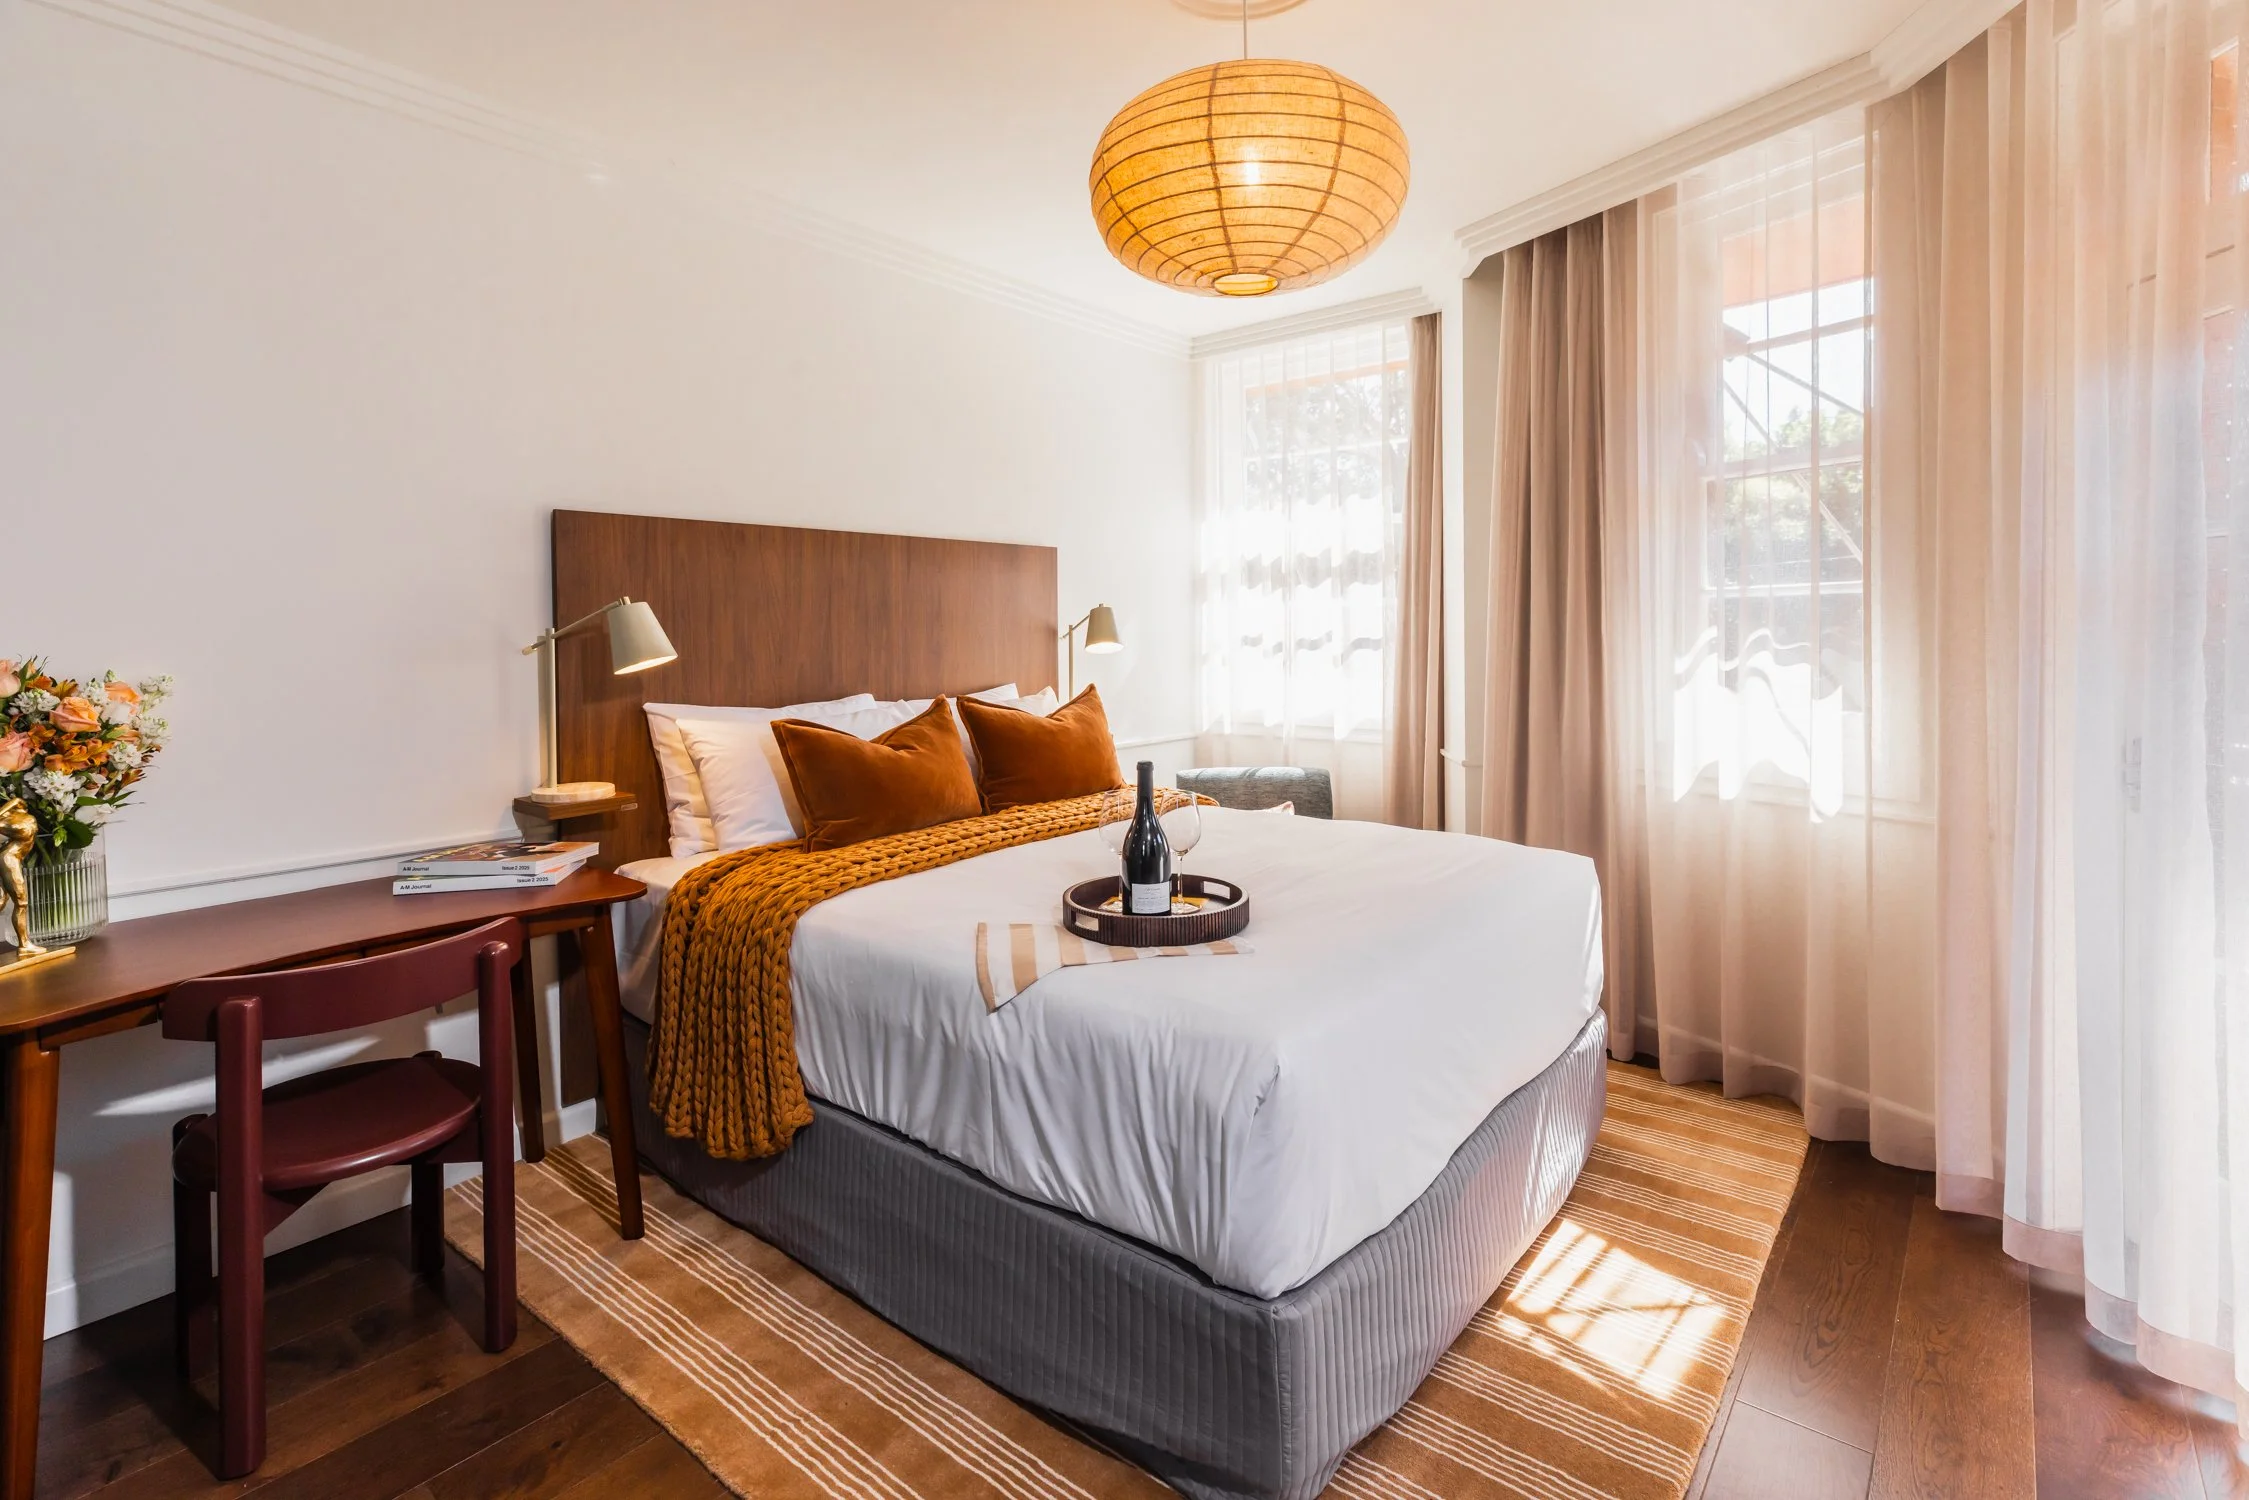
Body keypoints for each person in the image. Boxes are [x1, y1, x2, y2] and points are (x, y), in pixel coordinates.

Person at [0, 796, 46, 957]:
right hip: (9, 860)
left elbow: (20, 801)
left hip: (9, 858)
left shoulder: (18, 819)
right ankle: (24, 944)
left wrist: (12, 803)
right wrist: (12, 803)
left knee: (2, 901)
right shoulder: (13, 822)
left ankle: (25, 944)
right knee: (21, 903)